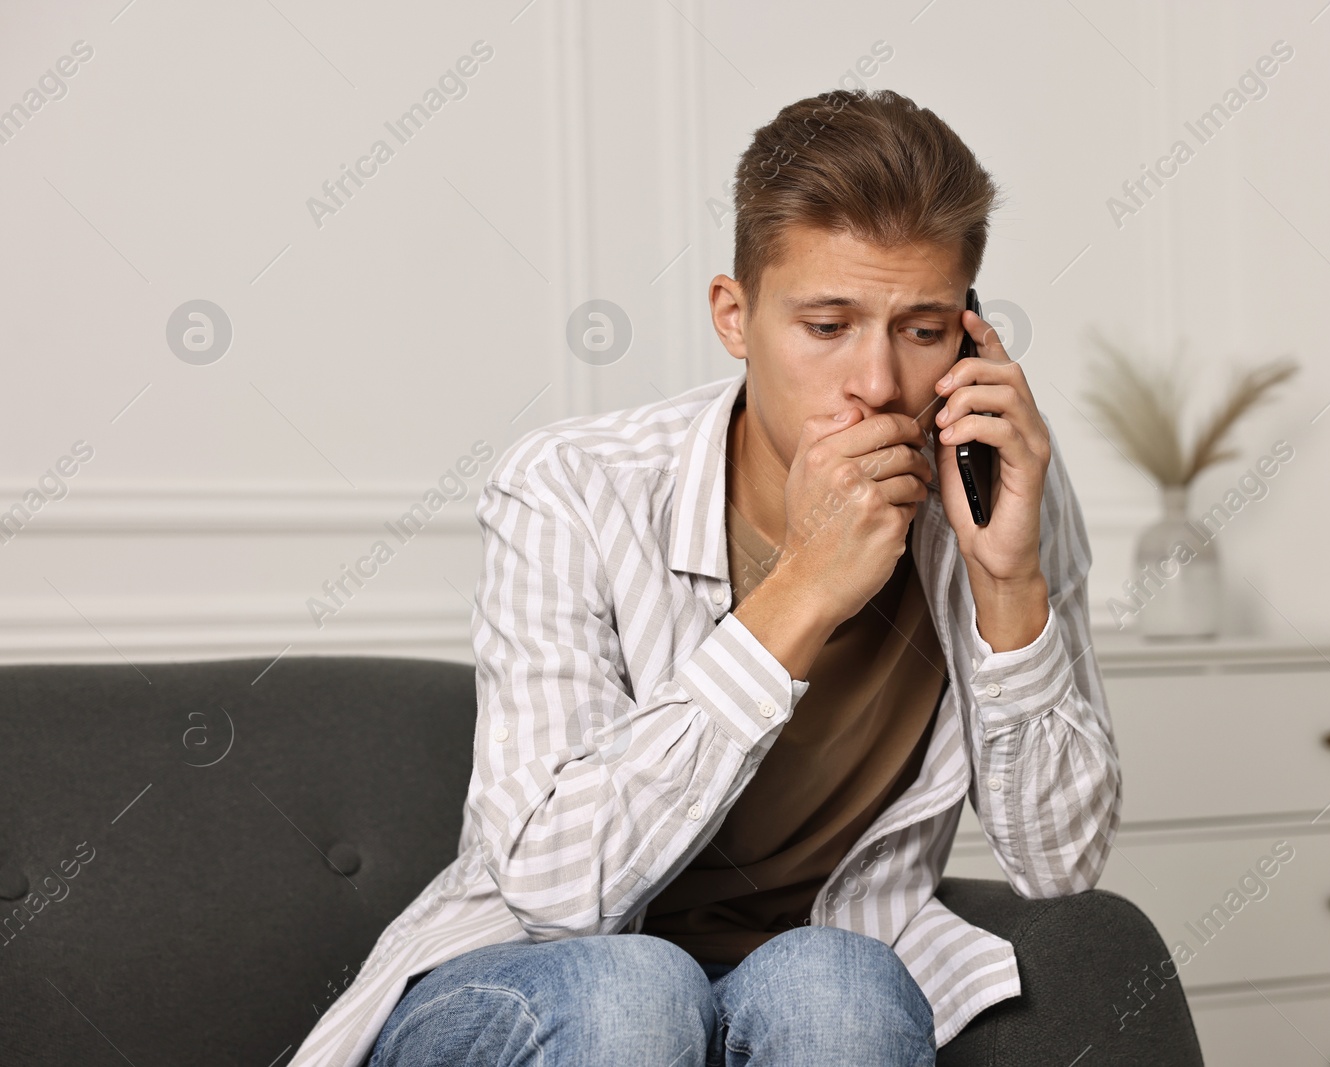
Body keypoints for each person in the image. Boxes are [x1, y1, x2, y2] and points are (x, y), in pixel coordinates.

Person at [287, 86, 1120, 1067]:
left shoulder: (993, 495)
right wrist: (801, 590)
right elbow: (556, 892)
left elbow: (1058, 859)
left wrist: (1008, 579)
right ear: (735, 314)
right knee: (634, 988)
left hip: (797, 974)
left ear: (971, 329)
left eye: (923, 328)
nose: (879, 382)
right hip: (533, 979)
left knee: (839, 985)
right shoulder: (571, 487)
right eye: (827, 325)